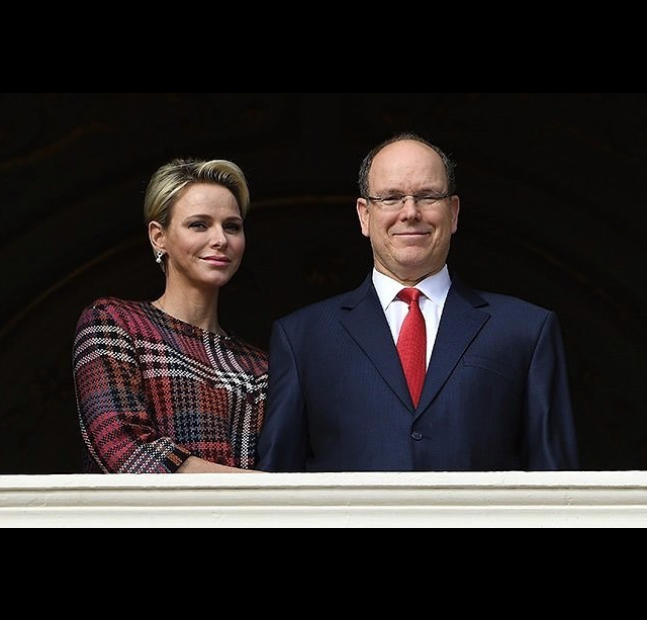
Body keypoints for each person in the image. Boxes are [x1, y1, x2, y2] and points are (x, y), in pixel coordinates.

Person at [258, 132, 579, 471]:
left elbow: (557, 482)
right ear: (364, 215)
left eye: (427, 196)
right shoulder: (302, 337)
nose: (410, 212)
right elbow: (277, 482)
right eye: (391, 198)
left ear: (453, 212)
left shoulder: (526, 329)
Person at [73, 158, 268, 473]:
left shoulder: (260, 366)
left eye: (232, 226)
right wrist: (258, 485)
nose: (220, 239)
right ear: (158, 236)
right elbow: (124, 447)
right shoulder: (113, 323)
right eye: (199, 224)